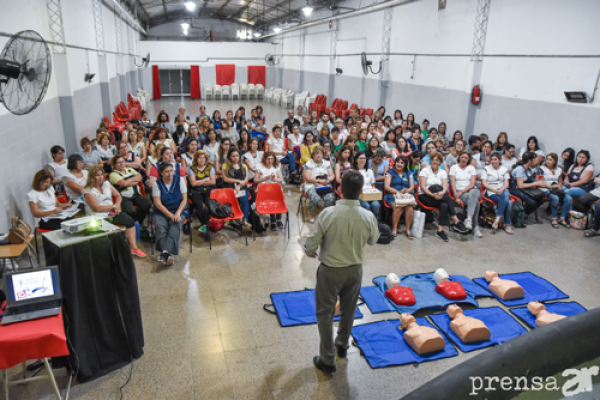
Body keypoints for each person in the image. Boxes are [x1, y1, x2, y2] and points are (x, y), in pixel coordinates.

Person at [305, 170, 379, 376]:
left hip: (330, 270)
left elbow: (312, 241)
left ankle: (327, 360)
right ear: (361, 191)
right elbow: (374, 240)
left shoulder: (328, 214)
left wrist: (310, 251)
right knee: (348, 310)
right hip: (355, 269)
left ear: (340, 190)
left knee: (325, 313)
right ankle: (342, 345)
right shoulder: (368, 215)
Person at [83, 166, 146, 257]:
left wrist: (117, 205)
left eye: (102, 174)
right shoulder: (88, 191)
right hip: (97, 217)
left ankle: (134, 248)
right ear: (92, 177)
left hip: (111, 213)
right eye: (97, 175)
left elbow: (118, 195)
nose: (101, 177)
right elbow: (96, 208)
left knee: (129, 221)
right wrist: (113, 206)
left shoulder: (107, 184)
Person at [418, 152, 468, 241]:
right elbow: (423, 187)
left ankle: (440, 231)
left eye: (436, 160)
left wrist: (442, 192)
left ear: (440, 162)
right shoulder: (424, 171)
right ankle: (456, 221)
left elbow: (445, 186)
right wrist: (432, 194)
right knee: (436, 188)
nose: (434, 161)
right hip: (425, 195)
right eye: (432, 159)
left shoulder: (443, 172)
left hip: (440, 196)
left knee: (444, 205)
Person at [152, 162, 188, 266]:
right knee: (160, 225)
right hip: (161, 211)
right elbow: (158, 204)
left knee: (175, 224)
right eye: (167, 172)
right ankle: (167, 253)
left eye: (171, 171)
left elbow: (184, 200)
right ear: (161, 173)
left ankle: (164, 253)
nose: (170, 174)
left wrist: (177, 213)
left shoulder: (179, 180)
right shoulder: (156, 184)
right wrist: (171, 215)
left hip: (179, 209)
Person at [109, 155, 151, 240]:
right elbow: (123, 184)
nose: (122, 164)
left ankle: (139, 221)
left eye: (123, 162)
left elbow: (140, 177)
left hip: (136, 194)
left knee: (147, 205)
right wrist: (134, 180)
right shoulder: (113, 174)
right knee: (131, 211)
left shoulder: (129, 170)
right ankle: (134, 225)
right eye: (119, 163)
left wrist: (128, 182)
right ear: (115, 165)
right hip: (124, 197)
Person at [449, 152, 482, 237]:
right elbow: (452, 182)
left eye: (466, 158)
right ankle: (475, 227)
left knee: (474, 193)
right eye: (462, 157)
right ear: (459, 157)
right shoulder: (454, 168)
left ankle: (469, 219)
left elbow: (472, 184)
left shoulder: (471, 168)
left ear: (468, 159)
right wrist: (456, 194)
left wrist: (461, 192)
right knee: (476, 203)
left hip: (471, 190)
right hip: (460, 192)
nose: (464, 159)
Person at [481, 152, 513, 234]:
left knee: (505, 195)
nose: (493, 161)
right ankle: (507, 224)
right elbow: (484, 184)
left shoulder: (504, 169)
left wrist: (502, 189)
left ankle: (497, 219)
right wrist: (495, 190)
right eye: (492, 159)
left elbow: (506, 184)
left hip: (502, 190)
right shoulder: (486, 169)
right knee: (508, 202)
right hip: (491, 191)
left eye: (495, 159)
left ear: (500, 160)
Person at [509, 152, 546, 220]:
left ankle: (525, 213)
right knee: (532, 202)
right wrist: (535, 183)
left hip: (526, 189)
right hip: (516, 189)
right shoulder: (519, 169)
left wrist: (540, 183)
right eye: (535, 159)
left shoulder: (529, 169)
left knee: (543, 197)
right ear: (530, 160)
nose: (536, 161)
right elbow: (520, 185)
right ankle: (522, 214)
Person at [384, 155, 415, 238]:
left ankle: (408, 229)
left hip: (405, 196)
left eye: (402, 163)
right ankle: (394, 229)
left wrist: (407, 191)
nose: (399, 164)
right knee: (397, 207)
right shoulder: (389, 172)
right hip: (391, 195)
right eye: (398, 162)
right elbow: (387, 187)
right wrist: (398, 192)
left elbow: (412, 186)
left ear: (405, 165)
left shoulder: (409, 173)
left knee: (410, 208)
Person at [303, 145, 335, 223]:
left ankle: (326, 214)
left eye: (320, 153)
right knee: (315, 198)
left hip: (325, 184)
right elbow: (307, 177)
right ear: (313, 155)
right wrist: (318, 181)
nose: (318, 155)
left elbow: (332, 175)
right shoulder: (308, 164)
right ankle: (310, 213)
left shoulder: (326, 163)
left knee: (330, 198)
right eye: (316, 153)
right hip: (311, 185)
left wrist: (328, 180)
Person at [254, 151, 284, 230]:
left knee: (279, 197)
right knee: (271, 198)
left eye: (272, 159)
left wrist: (274, 179)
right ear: (264, 159)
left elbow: (280, 179)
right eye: (268, 159)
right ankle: (273, 220)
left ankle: (279, 218)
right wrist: (265, 178)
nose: (270, 161)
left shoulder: (276, 166)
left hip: (274, 187)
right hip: (263, 189)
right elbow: (255, 180)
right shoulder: (259, 166)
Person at [540, 153, 572, 228]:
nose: (548, 161)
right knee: (555, 198)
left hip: (556, 188)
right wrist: (550, 186)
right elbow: (540, 182)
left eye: (550, 159)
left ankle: (562, 218)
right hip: (545, 188)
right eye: (547, 159)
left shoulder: (559, 169)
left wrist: (559, 187)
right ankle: (554, 218)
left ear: (555, 161)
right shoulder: (541, 169)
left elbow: (560, 181)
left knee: (568, 198)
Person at [188, 150, 215, 233]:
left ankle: (204, 225)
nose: (202, 160)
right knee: (199, 204)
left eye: (204, 158)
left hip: (208, 190)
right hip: (195, 191)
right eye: (200, 158)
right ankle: (205, 224)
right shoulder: (192, 168)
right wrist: (205, 180)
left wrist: (199, 182)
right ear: (196, 159)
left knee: (208, 203)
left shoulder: (210, 167)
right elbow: (193, 183)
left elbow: (213, 182)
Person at [222, 147, 250, 223]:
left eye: (237, 156)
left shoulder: (244, 166)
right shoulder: (225, 166)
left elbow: (245, 180)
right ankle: (234, 217)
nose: (235, 158)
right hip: (229, 187)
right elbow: (225, 179)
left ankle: (244, 220)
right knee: (232, 201)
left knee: (245, 200)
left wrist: (239, 186)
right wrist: (238, 181)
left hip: (241, 187)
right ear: (229, 157)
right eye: (233, 156)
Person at [353, 151, 380, 218]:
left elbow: (373, 185)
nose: (362, 160)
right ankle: (367, 222)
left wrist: (374, 191)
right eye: (361, 158)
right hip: (359, 194)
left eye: (364, 158)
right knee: (366, 206)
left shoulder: (369, 171)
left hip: (370, 193)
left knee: (376, 205)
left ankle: (374, 220)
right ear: (356, 160)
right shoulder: (353, 172)